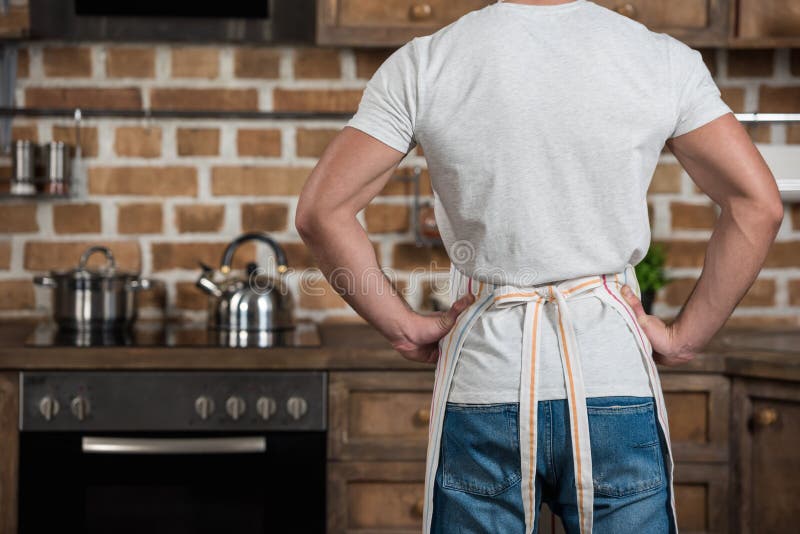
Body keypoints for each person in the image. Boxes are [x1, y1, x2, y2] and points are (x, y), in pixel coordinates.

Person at [295, 0, 784, 532]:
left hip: (486, 382)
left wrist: (401, 325)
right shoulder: (661, 59)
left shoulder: (427, 61)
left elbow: (322, 212)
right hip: (613, 378)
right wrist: (686, 337)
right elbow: (757, 205)